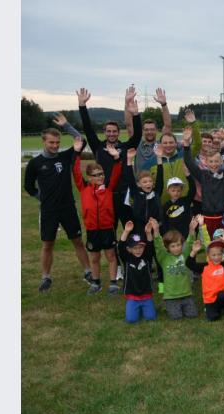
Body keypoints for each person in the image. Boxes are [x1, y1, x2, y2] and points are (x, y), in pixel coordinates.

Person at [24, 126, 92, 292]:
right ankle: (46, 277)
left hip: (68, 207)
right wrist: (43, 197)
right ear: (44, 141)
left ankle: (88, 272)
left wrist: (67, 125)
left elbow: (81, 141)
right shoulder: (35, 163)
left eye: (57, 142)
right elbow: (28, 186)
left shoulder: (65, 156)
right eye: (51, 142)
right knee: (48, 244)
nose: (54, 145)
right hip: (48, 211)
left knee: (77, 241)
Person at [77, 87, 142, 230]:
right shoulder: (98, 147)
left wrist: (136, 115)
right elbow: (88, 129)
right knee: (108, 230)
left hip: (125, 195)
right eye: (108, 131)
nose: (111, 134)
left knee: (131, 230)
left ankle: (130, 252)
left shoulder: (126, 147)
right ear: (104, 132)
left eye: (114, 131)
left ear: (119, 133)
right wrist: (82, 106)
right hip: (106, 195)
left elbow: (137, 135)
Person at [72, 142, 124, 295]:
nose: (100, 177)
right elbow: (75, 172)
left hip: (108, 228)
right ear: (89, 178)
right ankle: (96, 282)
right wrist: (76, 154)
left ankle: (113, 283)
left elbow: (116, 173)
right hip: (92, 229)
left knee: (111, 256)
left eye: (101, 174)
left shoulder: (108, 188)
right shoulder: (84, 189)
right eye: (96, 175)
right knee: (94, 257)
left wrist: (116, 159)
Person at [182, 127, 224, 238]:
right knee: (209, 245)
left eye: (216, 161)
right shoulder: (203, 175)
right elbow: (189, 162)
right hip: (207, 216)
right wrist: (186, 144)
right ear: (206, 162)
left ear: (221, 161)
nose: (214, 164)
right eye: (211, 161)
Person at [151, 217, 206, 320]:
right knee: (176, 317)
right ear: (167, 247)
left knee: (192, 315)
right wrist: (156, 230)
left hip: (186, 294)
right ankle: (166, 303)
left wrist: (192, 229)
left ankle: (178, 305)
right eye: (173, 246)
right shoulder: (164, 258)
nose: (176, 248)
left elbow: (190, 242)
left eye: (178, 245)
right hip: (171, 296)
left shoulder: (185, 255)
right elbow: (158, 245)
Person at [185, 232, 224, 321]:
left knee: (222, 295)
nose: (216, 257)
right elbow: (189, 264)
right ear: (208, 256)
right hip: (209, 299)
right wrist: (194, 251)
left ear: (222, 255)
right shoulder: (204, 267)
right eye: (213, 255)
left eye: (219, 254)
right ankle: (215, 310)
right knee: (213, 318)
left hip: (222, 295)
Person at [118, 221, 156, 323]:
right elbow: (120, 247)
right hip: (132, 296)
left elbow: (151, 246)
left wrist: (148, 233)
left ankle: (145, 307)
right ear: (129, 249)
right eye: (135, 248)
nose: (138, 250)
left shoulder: (147, 257)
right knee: (131, 319)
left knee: (151, 317)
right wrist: (126, 231)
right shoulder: (127, 259)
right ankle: (134, 308)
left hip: (146, 294)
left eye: (141, 247)